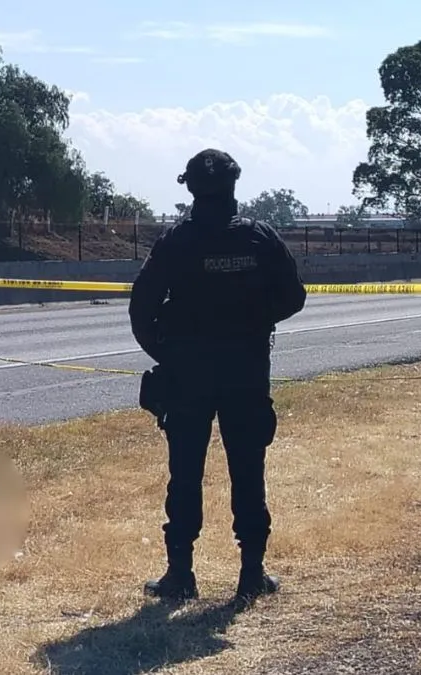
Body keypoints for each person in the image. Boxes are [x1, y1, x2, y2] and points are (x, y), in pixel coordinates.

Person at [129, 149, 307, 606]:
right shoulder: (259, 239)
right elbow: (293, 296)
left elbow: (142, 310)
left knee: (184, 472)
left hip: (188, 375)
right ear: (233, 185)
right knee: (248, 469)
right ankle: (251, 574)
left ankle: (181, 575)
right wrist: (252, 322)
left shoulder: (175, 243)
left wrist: (169, 354)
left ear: (189, 187)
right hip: (245, 372)